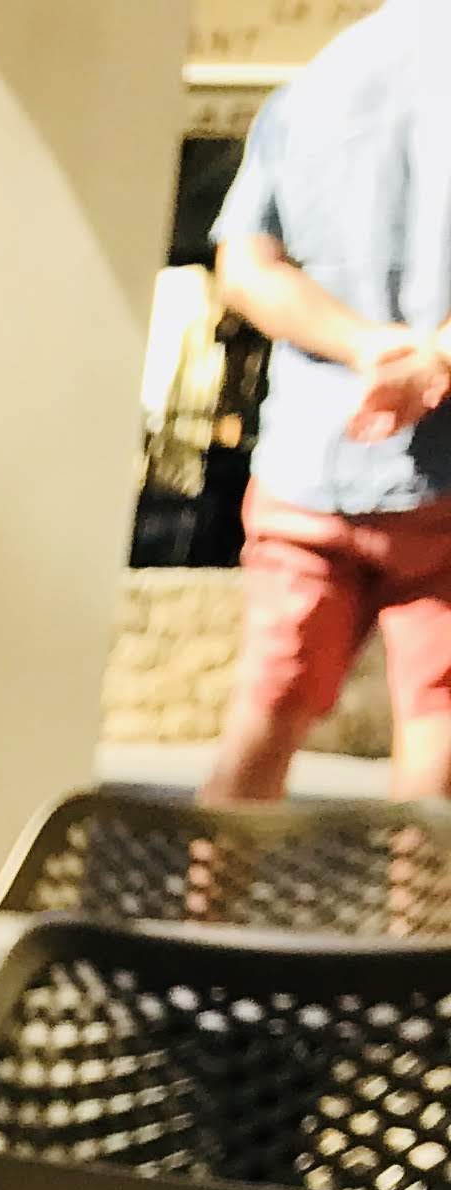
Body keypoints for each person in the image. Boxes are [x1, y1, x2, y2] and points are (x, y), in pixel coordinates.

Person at [206, 0, 451, 801]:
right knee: (440, 730)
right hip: (445, 483)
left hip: (311, 468)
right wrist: (430, 357)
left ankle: (203, 920)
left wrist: (362, 346)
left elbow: (245, 268)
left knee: (266, 715)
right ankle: (417, 930)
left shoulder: (315, 82)